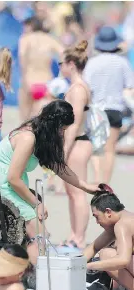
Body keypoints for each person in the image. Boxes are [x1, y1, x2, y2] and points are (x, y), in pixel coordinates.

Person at [0, 100, 99, 265]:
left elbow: (59, 167)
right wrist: (36, 204)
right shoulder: (28, 137)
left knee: (39, 232)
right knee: (39, 235)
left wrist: (86, 186)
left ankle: (31, 270)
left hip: (13, 181)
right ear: (53, 125)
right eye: (62, 129)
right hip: (0, 182)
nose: (62, 134)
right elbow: (12, 178)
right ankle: (38, 277)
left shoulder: (41, 132)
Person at [84, 26, 134, 184]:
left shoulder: (92, 63)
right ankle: (105, 183)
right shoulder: (123, 62)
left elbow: (86, 88)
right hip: (115, 109)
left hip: (96, 110)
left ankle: (98, 179)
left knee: (96, 148)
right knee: (110, 149)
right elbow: (130, 86)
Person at [58, 40, 92, 250]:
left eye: (61, 63)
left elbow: (75, 122)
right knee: (71, 192)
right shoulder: (75, 87)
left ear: (71, 63)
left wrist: (63, 150)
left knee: (77, 192)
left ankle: (79, 239)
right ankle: (74, 235)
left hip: (77, 144)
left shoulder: (78, 89)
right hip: (76, 142)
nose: (60, 67)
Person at [84, 189, 134, 290]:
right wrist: (74, 265)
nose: (97, 222)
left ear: (108, 212)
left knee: (106, 255)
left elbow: (123, 260)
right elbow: (94, 247)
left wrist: (89, 266)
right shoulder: (124, 218)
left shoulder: (122, 225)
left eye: (97, 217)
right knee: (107, 253)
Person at [17, 17, 64, 120]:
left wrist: (24, 79)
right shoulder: (50, 39)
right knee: (44, 122)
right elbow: (64, 54)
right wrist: (61, 76)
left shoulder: (25, 39)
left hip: (29, 82)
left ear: (30, 26)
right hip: (47, 83)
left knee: (25, 122)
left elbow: (22, 57)